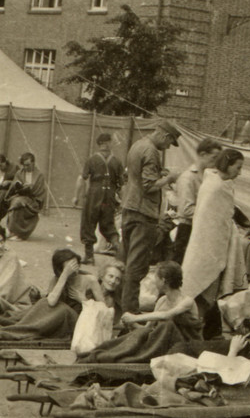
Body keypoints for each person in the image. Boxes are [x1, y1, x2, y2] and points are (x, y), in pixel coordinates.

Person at [181, 148, 249, 339]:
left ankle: (206, 335)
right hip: (207, 249)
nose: (240, 172)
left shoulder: (220, 184)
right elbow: (211, 224)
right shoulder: (215, 186)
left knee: (207, 298)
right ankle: (195, 335)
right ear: (227, 164)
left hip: (213, 248)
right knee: (203, 295)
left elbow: (224, 218)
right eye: (238, 167)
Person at [78, 260, 203, 363]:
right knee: (133, 340)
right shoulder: (162, 301)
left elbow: (166, 316)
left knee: (167, 326)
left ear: (163, 280)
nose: (154, 281)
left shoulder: (187, 301)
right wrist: (131, 324)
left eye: (156, 278)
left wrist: (135, 318)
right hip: (162, 345)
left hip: (183, 348)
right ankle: (98, 354)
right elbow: (147, 328)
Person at [119, 121, 181, 314]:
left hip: (129, 207)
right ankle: (130, 314)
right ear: (164, 136)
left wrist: (159, 173)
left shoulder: (138, 145)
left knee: (125, 261)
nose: (168, 147)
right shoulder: (152, 151)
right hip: (143, 213)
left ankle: (119, 308)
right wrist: (170, 179)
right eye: (170, 142)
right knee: (136, 268)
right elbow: (149, 186)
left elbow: (137, 175)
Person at [170, 138, 221, 264]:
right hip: (187, 231)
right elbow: (186, 210)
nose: (216, 163)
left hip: (203, 230)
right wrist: (213, 215)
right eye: (214, 158)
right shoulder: (188, 178)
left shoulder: (211, 177)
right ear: (203, 155)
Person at [74, 133, 124, 263]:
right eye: (110, 142)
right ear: (108, 143)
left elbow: (82, 178)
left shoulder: (92, 160)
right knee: (108, 225)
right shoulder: (117, 162)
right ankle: (119, 250)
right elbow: (122, 185)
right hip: (110, 196)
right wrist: (122, 201)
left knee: (89, 223)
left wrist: (76, 196)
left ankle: (89, 256)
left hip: (94, 195)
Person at [4, 152, 48, 240]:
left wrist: (31, 188)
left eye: (27, 165)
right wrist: (18, 186)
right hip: (19, 196)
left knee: (18, 203)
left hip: (33, 200)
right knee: (16, 203)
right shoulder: (19, 173)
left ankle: (17, 233)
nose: (25, 167)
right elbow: (13, 186)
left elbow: (40, 192)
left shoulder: (39, 175)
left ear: (33, 163)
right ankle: (12, 231)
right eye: (24, 165)